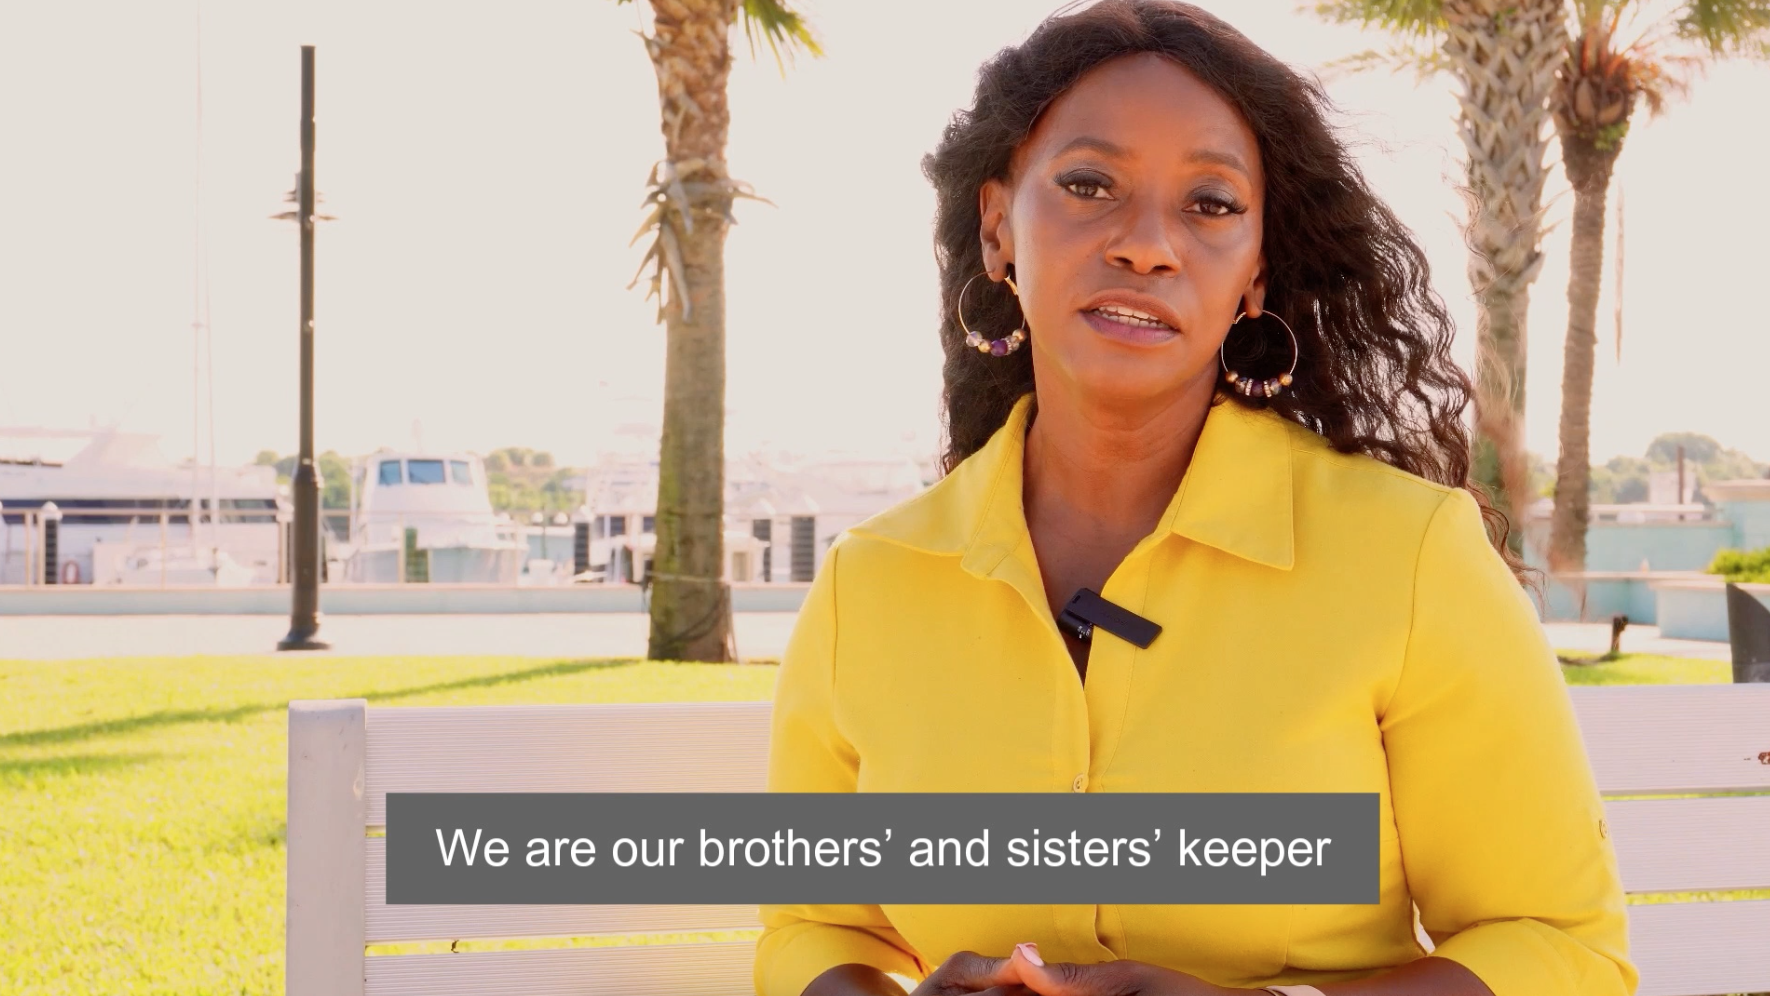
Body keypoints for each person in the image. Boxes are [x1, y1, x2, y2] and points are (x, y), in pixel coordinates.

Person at [754, 3, 1634, 995]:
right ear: (998, 227)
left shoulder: (1412, 556)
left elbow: (1561, 950)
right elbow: (815, 926)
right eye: (1089, 185)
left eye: (1210, 204)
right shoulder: (871, 584)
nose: (1146, 245)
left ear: (1257, 270)